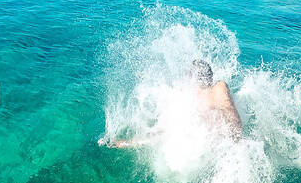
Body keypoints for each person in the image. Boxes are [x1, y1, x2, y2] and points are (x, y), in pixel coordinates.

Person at [98, 59, 243, 148]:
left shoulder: (217, 88)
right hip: (208, 139)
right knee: (167, 132)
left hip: (215, 139)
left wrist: (236, 138)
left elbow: (228, 108)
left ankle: (128, 144)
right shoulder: (207, 90)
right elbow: (228, 108)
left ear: (193, 77)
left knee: (162, 135)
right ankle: (130, 143)